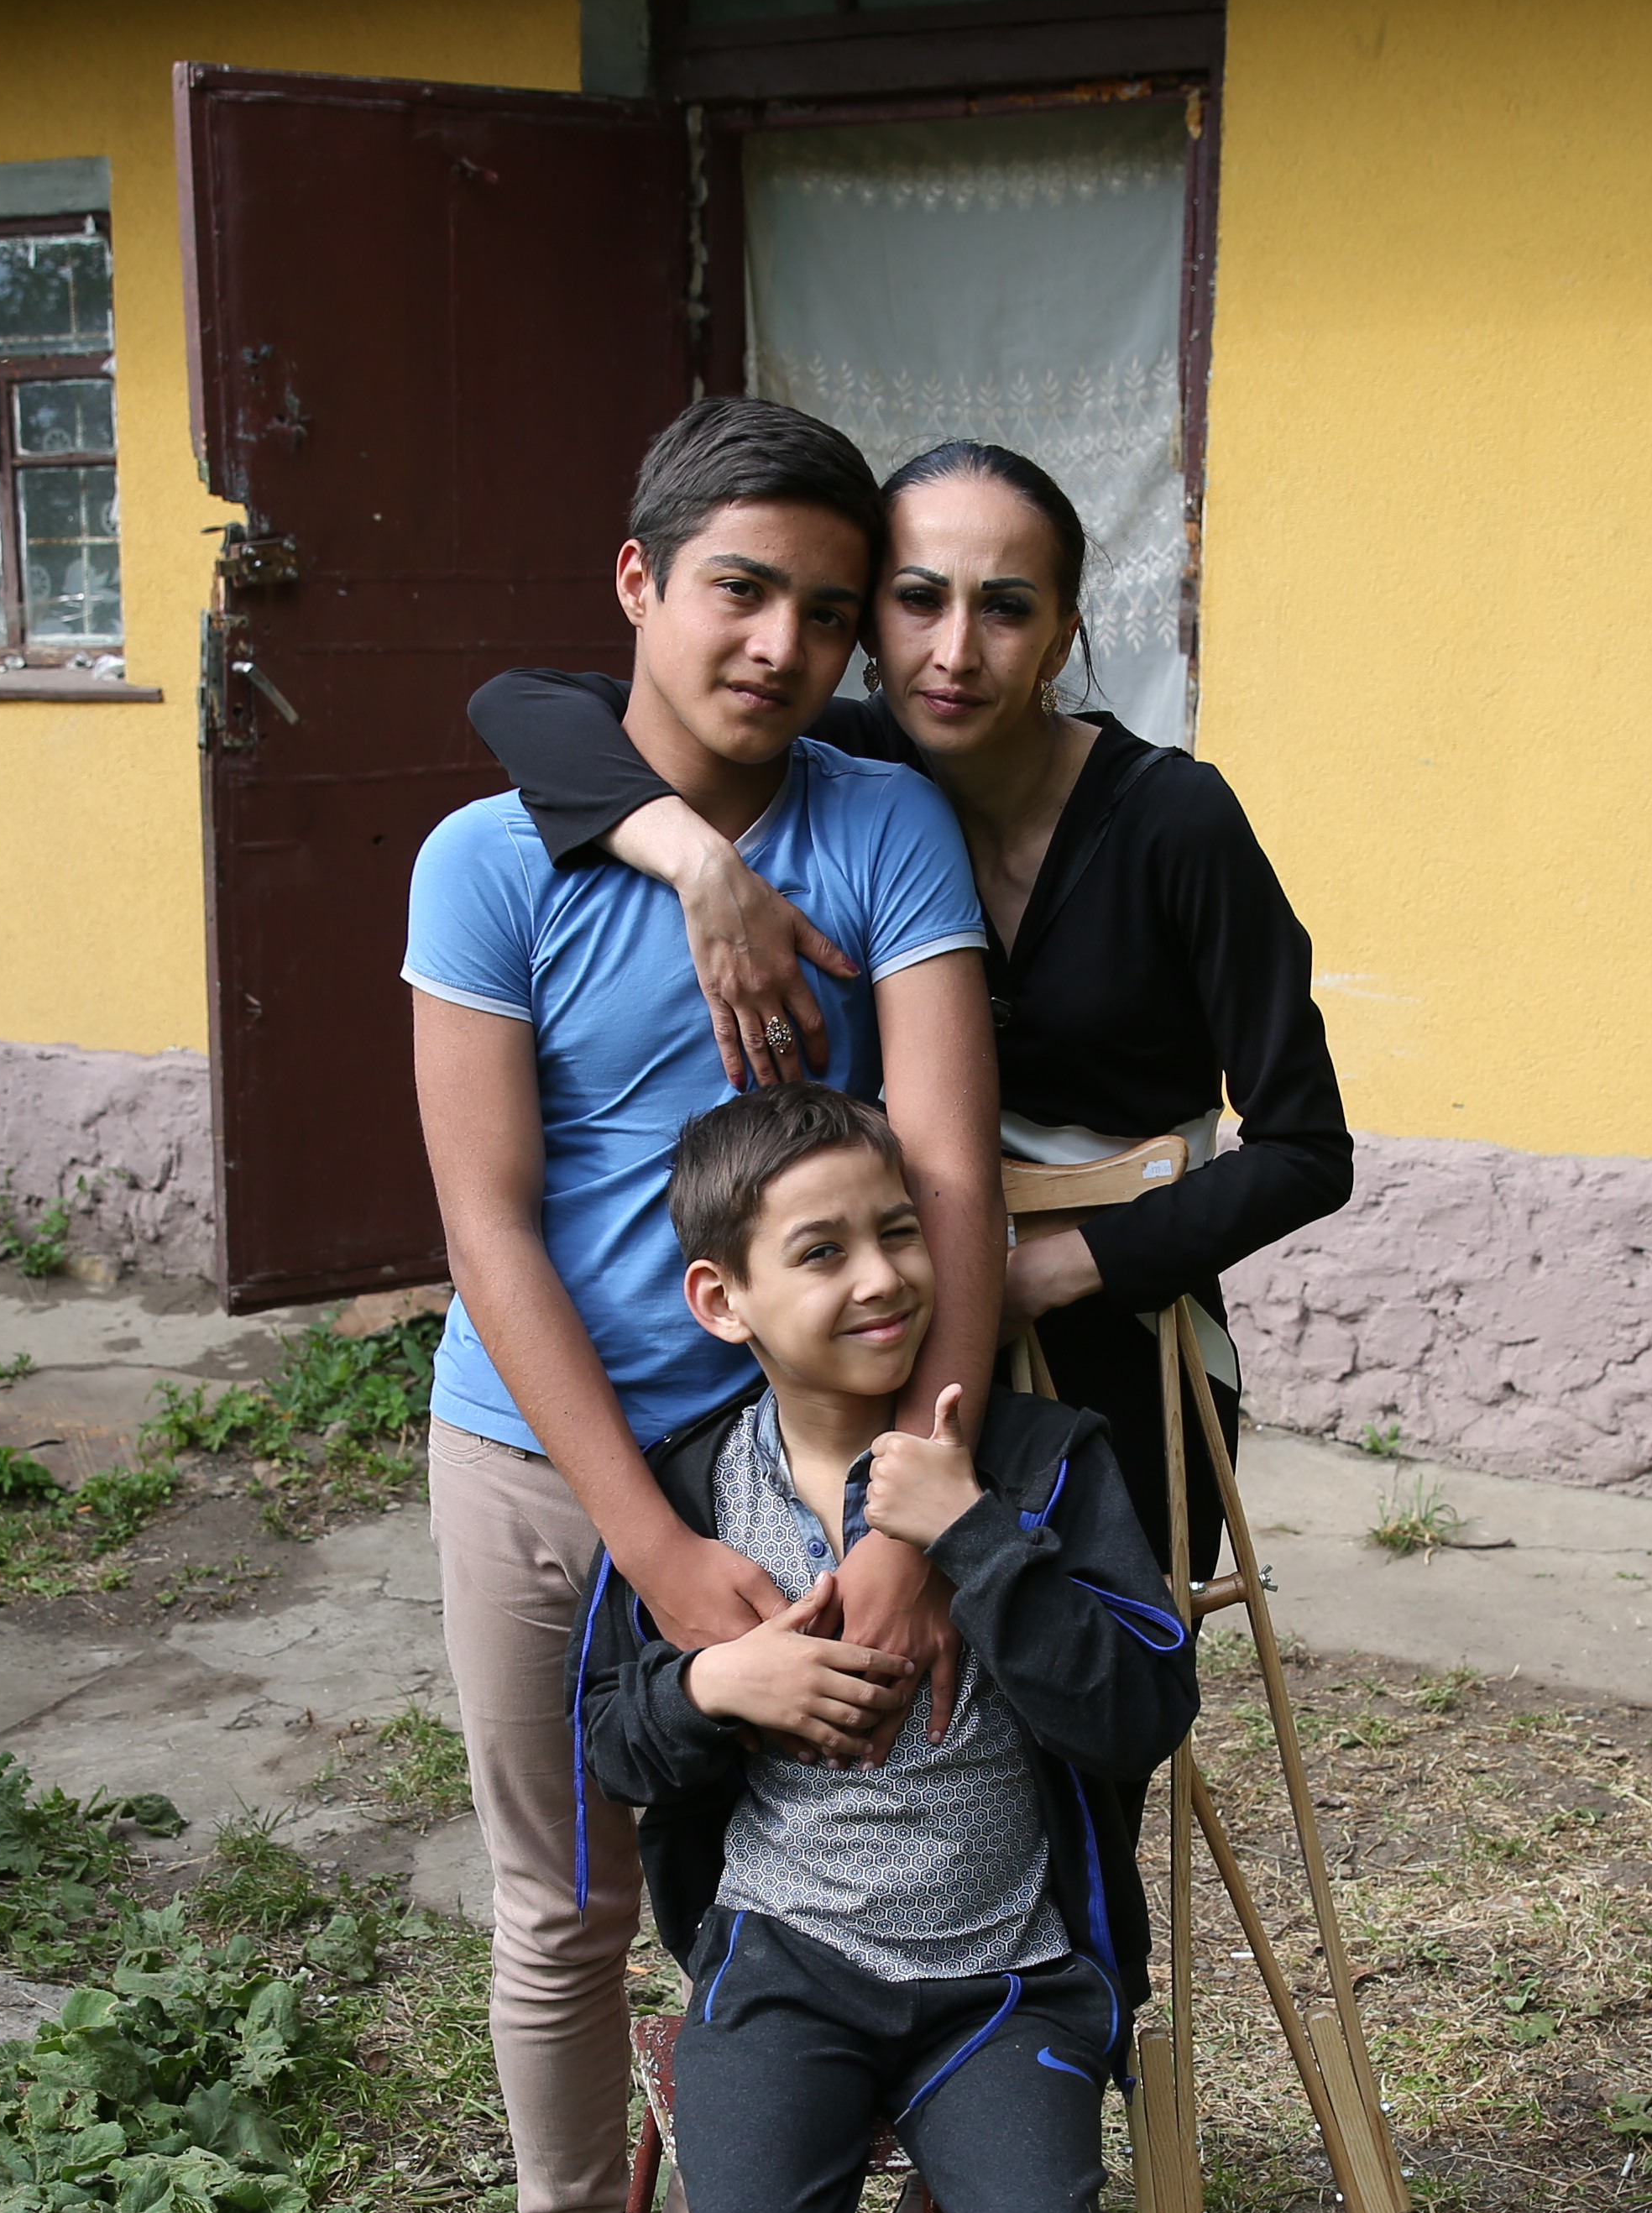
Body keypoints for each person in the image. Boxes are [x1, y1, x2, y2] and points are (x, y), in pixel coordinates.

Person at [406, 398, 1007, 2213]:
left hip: (819, 1462)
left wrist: (914, 1509)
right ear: (641, 586)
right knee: (568, 1889)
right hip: (538, 1460)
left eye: (829, 615)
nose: (783, 646)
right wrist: (651, 1551)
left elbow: (948, 1181)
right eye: (741, 590)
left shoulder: (882, 829)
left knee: (842, 1857)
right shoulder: (486, 859)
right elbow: (486, 1222)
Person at [578, 1082, 1226, 2213]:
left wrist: (974, 1540)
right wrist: (718, 1689)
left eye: (895, 1232)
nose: (877, 1276)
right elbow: (615, 1743)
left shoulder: (1040, 1461)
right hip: (788, 1971)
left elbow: (1141, 1706)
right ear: (725, 1302)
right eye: (822, 1249)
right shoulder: (688, 1499)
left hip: (1003, 1980)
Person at [467, 437, 1348, 1584]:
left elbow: (1307, 1151)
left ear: (1063, 635)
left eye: (1007, 610)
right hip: (876, 1331)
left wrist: (1044, 1270)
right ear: (869, 620)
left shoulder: (1174, 822)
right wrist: (695, 861)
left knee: (1081, 1707)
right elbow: (523, 703)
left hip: (1114, 1342)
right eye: (917, 600)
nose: (955, 653)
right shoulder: (849, 755)